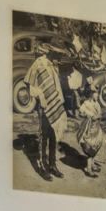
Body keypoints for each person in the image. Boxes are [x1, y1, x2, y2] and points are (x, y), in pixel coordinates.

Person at [24, 47, 65, 180]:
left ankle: (52, 165)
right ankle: (42, 167)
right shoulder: (38, 63)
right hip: (44, 106)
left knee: (53, 136)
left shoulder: (53, 65)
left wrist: (59, 101)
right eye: (56, 53)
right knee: (44, 135)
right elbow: (29, 84)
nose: (58, 56)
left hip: (54, 105)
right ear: (49, 51)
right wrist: (40, 96)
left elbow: (57, 85)